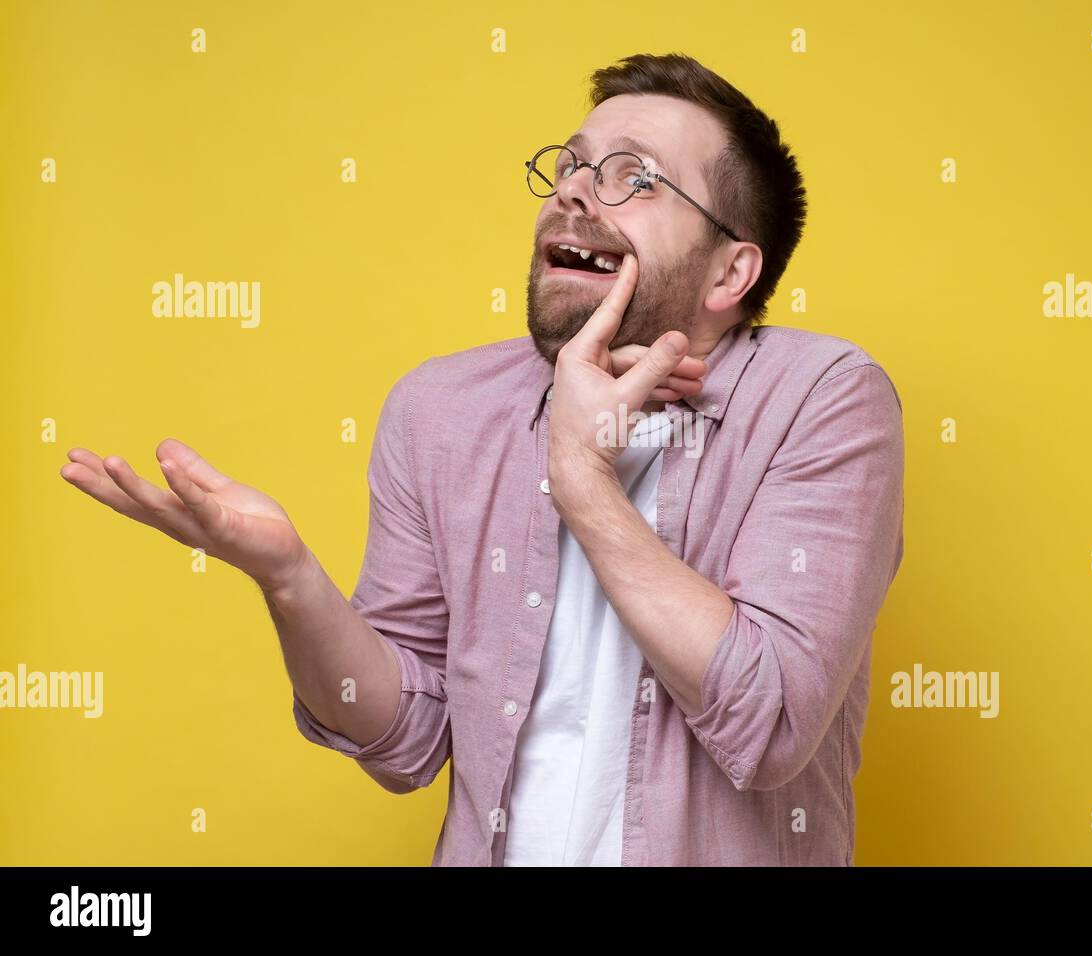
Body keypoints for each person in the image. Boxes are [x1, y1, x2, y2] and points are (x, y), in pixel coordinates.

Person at [59, 52, 905, 866]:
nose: (575, 189)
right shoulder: (442, 412)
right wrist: (289, 579)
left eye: (633, 176)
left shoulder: (822, 399)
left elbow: (772, 721)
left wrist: (581, 479)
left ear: (731, 272)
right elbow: (403, 740)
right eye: (572, 165)